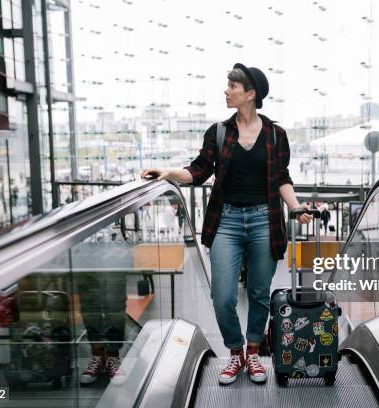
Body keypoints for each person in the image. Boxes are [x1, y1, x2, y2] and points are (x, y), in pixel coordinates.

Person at [141, 63, 312, 385]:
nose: (226, 90)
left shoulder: (276, 135)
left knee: (260, 292)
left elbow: (281, 178)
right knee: (222, 296)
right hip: (227, 221)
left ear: (251, 94)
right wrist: (168, 172)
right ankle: (234, 353)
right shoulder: (219, 132)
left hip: (265, 219)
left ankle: (253, 353)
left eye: (232, 86)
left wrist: (295, 206)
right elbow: (199, 170)